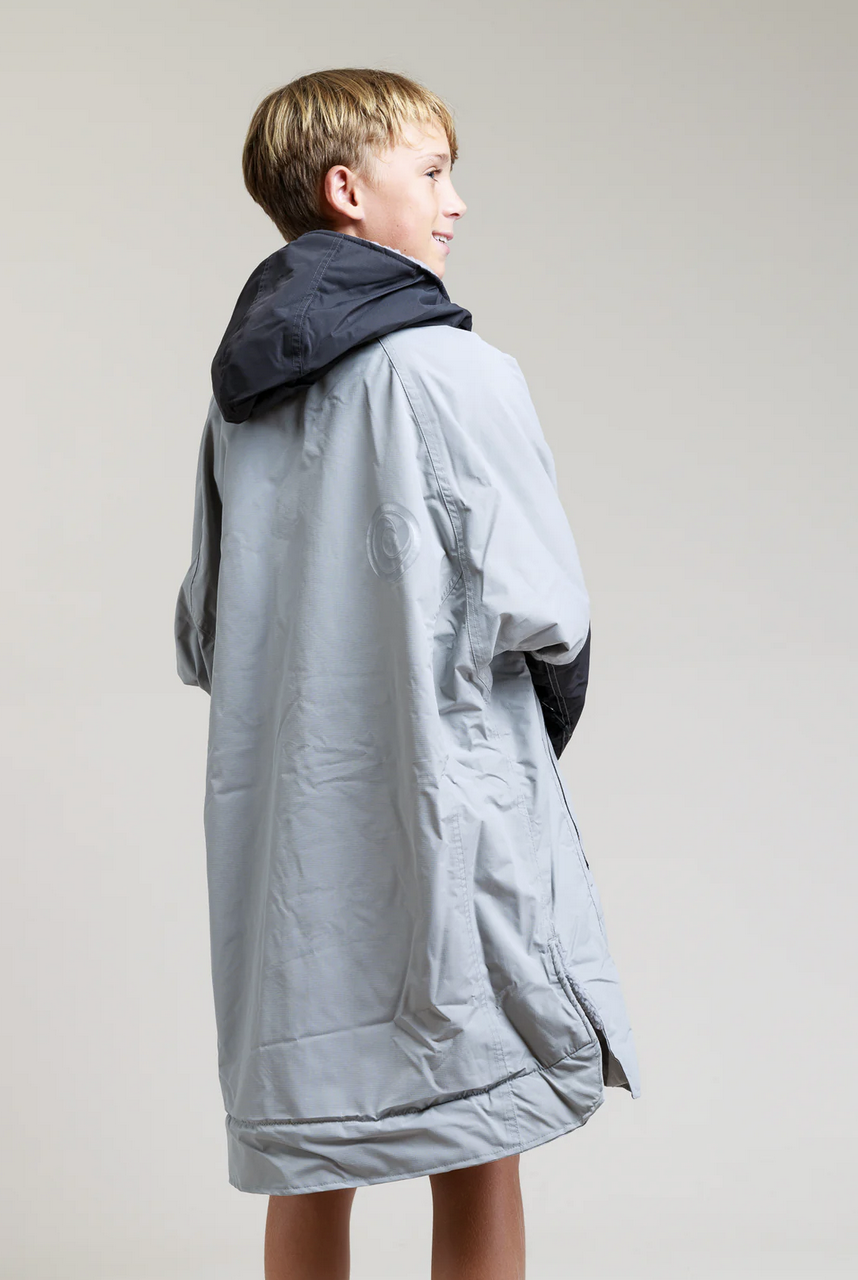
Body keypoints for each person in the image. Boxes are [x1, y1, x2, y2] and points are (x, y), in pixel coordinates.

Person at [174, 67, 641, 1280]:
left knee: (310, 1142)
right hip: (449, 812)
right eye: (432, 172)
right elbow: (549, 617)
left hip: (289, 841)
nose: (456, 201)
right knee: (476, 1126)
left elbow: (206, 633)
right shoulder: (456, 372)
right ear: (347, 189)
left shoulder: (238, 402)